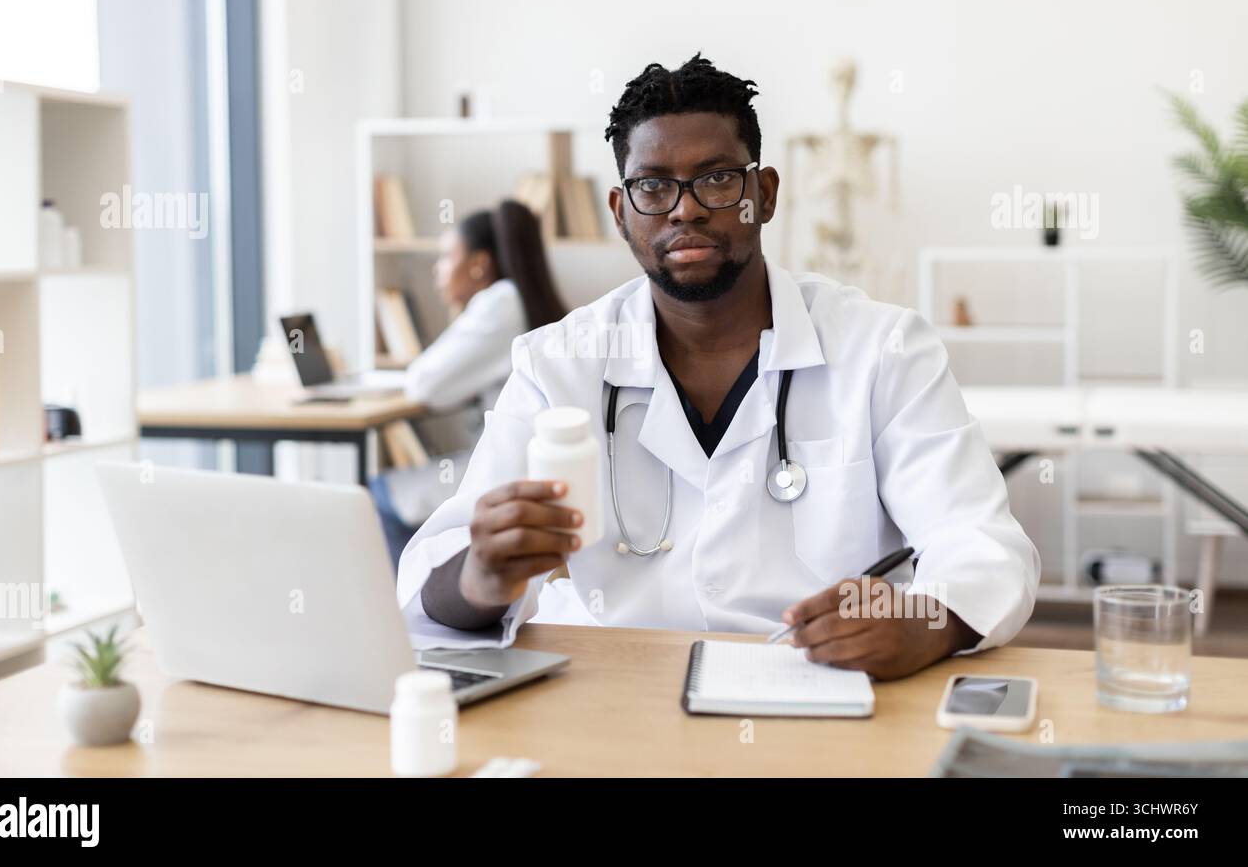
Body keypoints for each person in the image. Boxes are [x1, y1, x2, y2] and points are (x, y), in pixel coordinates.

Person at [396, 54, 1039, 680]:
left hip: (816, 684)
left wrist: (924, 621)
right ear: (622, 213)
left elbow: (981, 542)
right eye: (652, 185)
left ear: (764, 193)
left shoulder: (884, 349)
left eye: (716, 179)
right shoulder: (557, 364)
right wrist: (481, 575)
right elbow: (431, 580)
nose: (685, 209)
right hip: (610, 694)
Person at [370, 200, 565, 565]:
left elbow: (425, 384)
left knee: (380, 493)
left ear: (478, 264)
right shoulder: (517, 298)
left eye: (446, 257)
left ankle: (404, 615)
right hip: (531, 465)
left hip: (511, 473)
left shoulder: (499, 303)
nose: (437, 270)